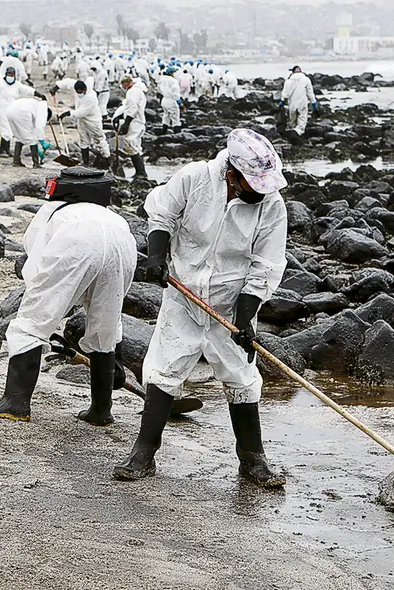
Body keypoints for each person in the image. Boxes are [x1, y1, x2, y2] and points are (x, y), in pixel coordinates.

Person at [114, 129, 289, 487]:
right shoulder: (194, 179)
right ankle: (143, 454)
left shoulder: (272, 205)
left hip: (231, 300)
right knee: (165, 368)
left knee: (240, 376)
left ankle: (253, 462)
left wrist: (245, 317)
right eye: (253, 184)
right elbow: (162, 218)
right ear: (232, 174)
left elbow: (265, 265)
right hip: (184, 292)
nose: (261, 191)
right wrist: (157, 257)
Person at [0, 167, 137, 425]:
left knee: (30, 325)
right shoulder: (113, 217)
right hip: (123, 244)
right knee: (106, 325)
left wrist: (45, 305)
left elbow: (36, 255)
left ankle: (15, 403)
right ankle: (101, 409)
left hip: (76, 241)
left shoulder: (54, 211)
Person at [0, 66, 45, 158]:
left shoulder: (17, 84)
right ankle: (2, 150)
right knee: (5, 130)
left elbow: (27, 90)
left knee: (11, 130)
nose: (10, 77)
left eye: (12, 75)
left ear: (15, 76)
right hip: (1, 109)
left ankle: (7, 150)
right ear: (6, 75)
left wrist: (39, 95)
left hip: (12, 110)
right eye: (9, 75)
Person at [56, 79, 110, 167]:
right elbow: (68, 82)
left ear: (84, 89)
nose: (78, 94)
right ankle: (85, 163)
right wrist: (57, 86)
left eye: (80, 92)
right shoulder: (77, 86)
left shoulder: (91, 97)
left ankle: (107, 160)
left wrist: (68, 113)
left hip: (93, 120)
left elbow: (81, 112)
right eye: (77, 92)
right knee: (83, 140)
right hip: (82, 120)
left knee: (99, 139)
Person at [112, 75, 147, 180]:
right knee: (135, 145)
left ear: (125, 83)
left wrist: (126, 123)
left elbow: (133, 108)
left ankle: (141, 172)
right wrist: (120, 116)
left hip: (135, 122)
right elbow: (130, 107)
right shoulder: (137, 90)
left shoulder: (133, 92)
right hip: (138, 121)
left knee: (130, 144)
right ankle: (140, 172)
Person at [2, 97, 49, 168]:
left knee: (19, 137)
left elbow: (34, 127)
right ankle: (36, 163)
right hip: (22, 112)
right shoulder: (42, 111)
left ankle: (16, 161)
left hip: (9, 110)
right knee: (32, 139)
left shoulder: (36, 104)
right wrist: (42, 142)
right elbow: (39, 127)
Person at [280, 65, 316, 138]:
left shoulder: (288, 81)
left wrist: (282, 102)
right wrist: (314, 103)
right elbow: (310, 93)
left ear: (292, 72)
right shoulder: (306, 80)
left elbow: (285, 94)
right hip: (302, 104)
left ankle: (291, 135)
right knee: (301, 123)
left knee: (292, 122)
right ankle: (296, 135)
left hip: (292, 105)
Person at [158, 67, 181, 134]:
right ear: (171, 73)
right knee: (175, 119)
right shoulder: (173, 81)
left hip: (164, 100)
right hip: (172, 100)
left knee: (166, 117)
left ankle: (163, 132)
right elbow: (175, 92)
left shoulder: (161, 80)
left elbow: (159, 90)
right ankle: (177, 135)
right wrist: (179, 102)